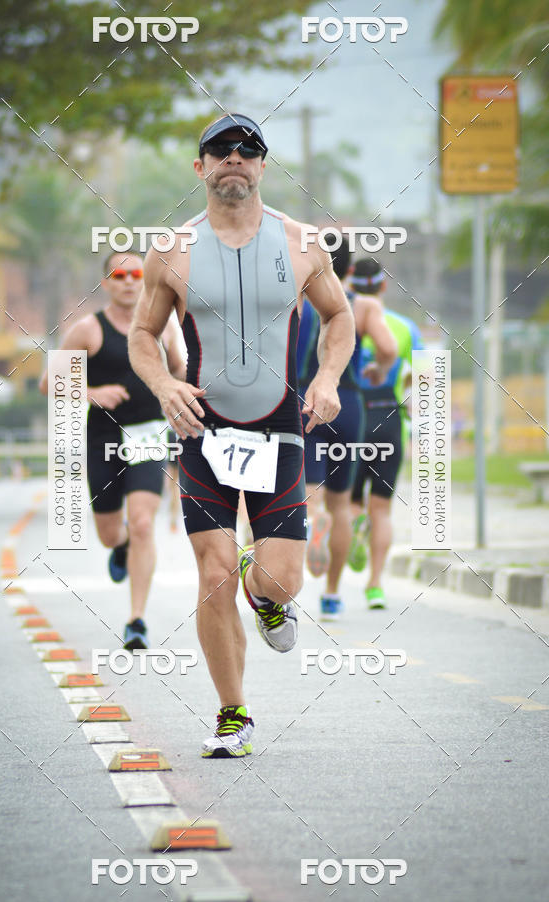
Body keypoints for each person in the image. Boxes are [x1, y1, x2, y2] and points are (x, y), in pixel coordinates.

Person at [128, 113, 354, 758]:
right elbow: (143, 336)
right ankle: (234, 714)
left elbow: (338, 318)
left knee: (280, 581)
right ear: (200, 167)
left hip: (282, 425)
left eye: (247, 150)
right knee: (214, 570)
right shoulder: (171, 249)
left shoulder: (302, 242)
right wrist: (167, 386)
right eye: (220, 151)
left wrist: (329, 376)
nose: (235, 158)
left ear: (262, 166)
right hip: (203, 425)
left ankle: (270, 597)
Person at [40, 251, 185, 649]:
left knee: (142, 523)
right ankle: (119, 547)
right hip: (102, 439)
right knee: (109, 533)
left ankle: (136, 620)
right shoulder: (88, 330)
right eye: (119, 275)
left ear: (145, 279)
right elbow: (46, 383)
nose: (128, 280)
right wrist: (90, 392)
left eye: (136, 273)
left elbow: (180, 372)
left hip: (148, 436)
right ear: (106, 283)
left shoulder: (163, 327)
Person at [298, 236, 397, 620]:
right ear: (350, 269)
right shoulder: (364, 306)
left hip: (304, 402)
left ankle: (312, 522)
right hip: (349, 404)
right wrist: (379, 370)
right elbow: (388, 349)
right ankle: (333, 594)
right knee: (342, 505)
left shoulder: (299, 302)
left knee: (309, 498)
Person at [348, 257, 423, 609]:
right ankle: (375, 586)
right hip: (389, 422)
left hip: (351, 419)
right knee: (382, 510)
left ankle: (353, 529)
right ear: (383, 286)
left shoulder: (342, 318)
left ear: (350, 283)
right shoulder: (405, 327)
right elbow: (423, 378)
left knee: (346, 504)